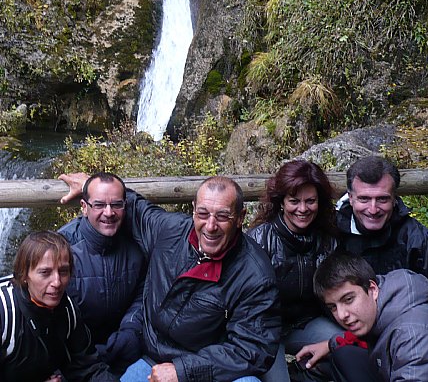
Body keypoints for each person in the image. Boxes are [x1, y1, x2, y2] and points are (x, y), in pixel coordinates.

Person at [60, 173, 282, 382]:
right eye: (203, 213)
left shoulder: (255, 275)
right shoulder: (170, 230)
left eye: (223, 216)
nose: (211, 226)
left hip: (210, 369)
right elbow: (134, 207)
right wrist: (90, 184)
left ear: (240, 218)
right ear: (193, 210)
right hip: (151, 358)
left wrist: (183, 371)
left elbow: (253, 349)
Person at [0, 230, 118, 382]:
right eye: (45, 273)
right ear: (24, 275)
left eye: (63, 271)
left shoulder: (67, 311)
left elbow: (88, 368)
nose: (57, 282)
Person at [246, 160, 340, 382]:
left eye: (310, 201)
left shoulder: (329, 240)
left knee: (346, 345)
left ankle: (300, 374)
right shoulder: (259, 239)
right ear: (281, 202)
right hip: (266, 330)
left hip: (308, 322)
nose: (303, 209)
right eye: (294, 201)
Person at [296, 251, 428, 381]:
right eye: (333, 307)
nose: (342, 315)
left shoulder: (414, 337)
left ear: (373, 289)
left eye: (348, 299)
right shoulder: (385, 305)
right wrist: (329, 345)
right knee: (344, 355)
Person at [58, 172, 146, 373]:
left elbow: (143, 294)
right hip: (74, 357)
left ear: (125, 206)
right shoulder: (62, 248)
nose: (109, 212)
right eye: (99, 205)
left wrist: (131, 329)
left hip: (125, 350)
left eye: (116, 204)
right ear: (84, 207)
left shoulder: (137, 244)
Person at [335, 155, 428, 309]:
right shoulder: (330, 233)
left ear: (394, 198)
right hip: (341, 319)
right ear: (350, 198)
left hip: (405, 318)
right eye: (364, 199)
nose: (373, 209)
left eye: (382, 199)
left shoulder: (416, 238)